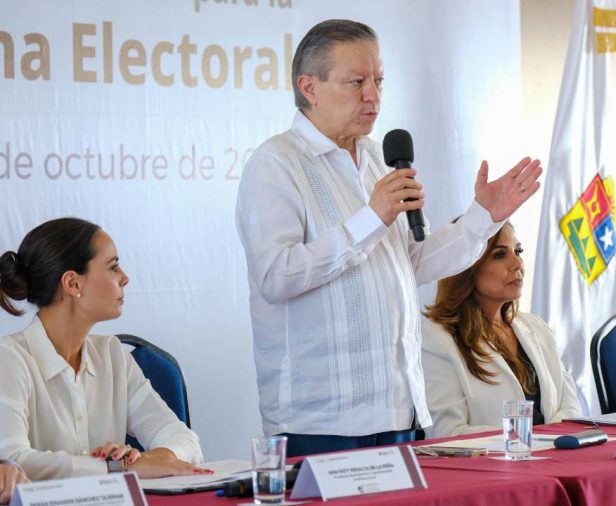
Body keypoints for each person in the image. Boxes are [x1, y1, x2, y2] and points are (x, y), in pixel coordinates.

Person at [235, 19, 542, 456]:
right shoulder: (276, 163)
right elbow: (276, 276)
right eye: (356, 82)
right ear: (310, 87)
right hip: (321, 422)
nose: (373, 96)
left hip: (400, 412)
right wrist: (371, 219)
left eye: (378, 80)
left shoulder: (378, 159)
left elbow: (412, 261)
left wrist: (483, 217)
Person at [0, 218, 206, 480]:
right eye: (114, 267)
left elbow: (184, 439)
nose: (125, 278)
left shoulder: (112, 355)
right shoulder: (8, 359)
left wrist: (157, 458)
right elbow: (13, 462)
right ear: (73, 284)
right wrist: (119, 469)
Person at [421, 223, 581, 437]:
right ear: (465, 266)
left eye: (518, 251)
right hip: (490, 468)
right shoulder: (435, 338)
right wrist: (526, 441)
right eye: (499, 255)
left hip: (552, 462)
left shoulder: (537, 328)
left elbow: (570, 410)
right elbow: (446, 433)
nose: (517, 264)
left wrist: (544, 445)